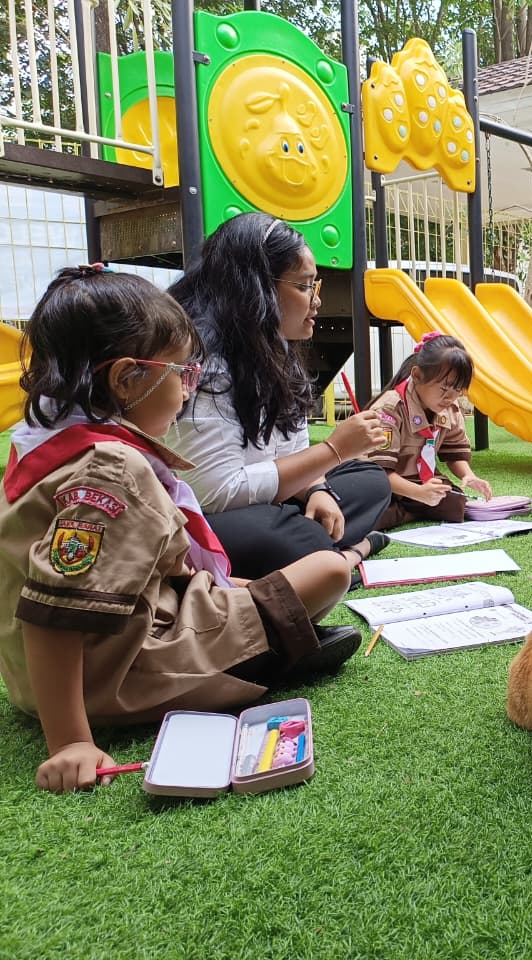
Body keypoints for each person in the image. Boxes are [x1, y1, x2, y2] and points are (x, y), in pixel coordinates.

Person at [0, 266, 360, 793]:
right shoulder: (112, 470)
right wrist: (71, 740)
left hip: (84, 653)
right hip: (115, 671)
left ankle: (272, 644)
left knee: (285, 574)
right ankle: (264, 661)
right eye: (182, 373)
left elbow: (146, 565)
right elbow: (54, 611)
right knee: (328, 570)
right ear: (128, 378)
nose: (189, 389)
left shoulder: (52, 441)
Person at [168, 212, 392, 582]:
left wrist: (317, 490)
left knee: (370, 480)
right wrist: (333, 451)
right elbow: (213, 492)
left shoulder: (277, 349)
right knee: (294, 540)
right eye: (305, 287)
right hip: (206, 515)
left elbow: (294, 448)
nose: (317, 302)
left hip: (269, 501)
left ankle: (325, 559)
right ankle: (344, 555)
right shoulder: (202, 360)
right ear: (256, 288)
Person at [367, 331, 492, 529]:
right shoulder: (390, 408)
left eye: (457, 392)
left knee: (455, 505)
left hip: (421, 480)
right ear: (416, 376)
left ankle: (409, 509)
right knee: (376, 512)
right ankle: (405, 510)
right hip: (385, 482)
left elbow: (454, 454)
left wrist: (468, 476)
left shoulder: (449, 408)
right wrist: (418, 494)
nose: (450, 398)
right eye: (444, 389)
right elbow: (379, 472)